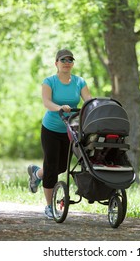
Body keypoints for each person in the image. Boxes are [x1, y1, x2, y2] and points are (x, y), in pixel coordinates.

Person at [27, 49, 92, 219]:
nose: (67, 62)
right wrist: (59, 108)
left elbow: (89, 101)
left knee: (61, 167)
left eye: (70, 59)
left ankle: (36, 173)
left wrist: (95, 107)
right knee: (51, 167)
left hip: (70, 130)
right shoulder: (49, 81)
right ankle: (49, 206)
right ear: (56, 63)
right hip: (51, 129)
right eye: (63, 60)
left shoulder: (79, 82)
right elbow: (46, 102)